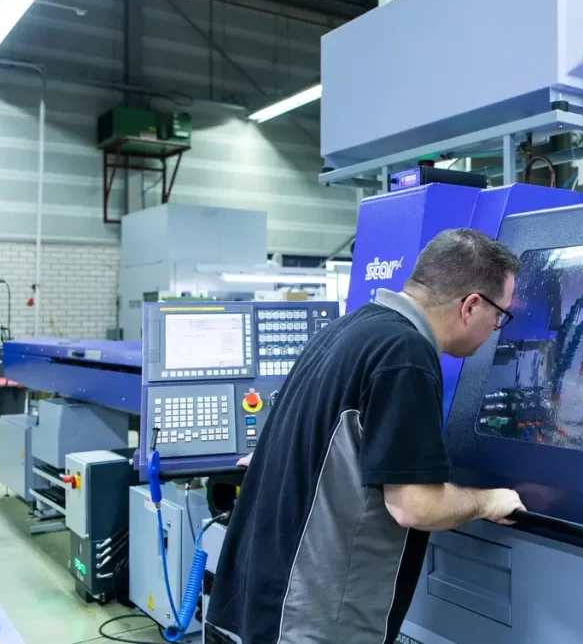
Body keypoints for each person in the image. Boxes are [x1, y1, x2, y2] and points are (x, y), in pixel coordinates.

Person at [206, 228, 526, 644]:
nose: (496, 329)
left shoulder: (348, 330)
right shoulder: (405, 356)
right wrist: (490, 500)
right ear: (471, 306)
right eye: (500, 316)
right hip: (309, 620)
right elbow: (415, 506)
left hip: (252, 598)